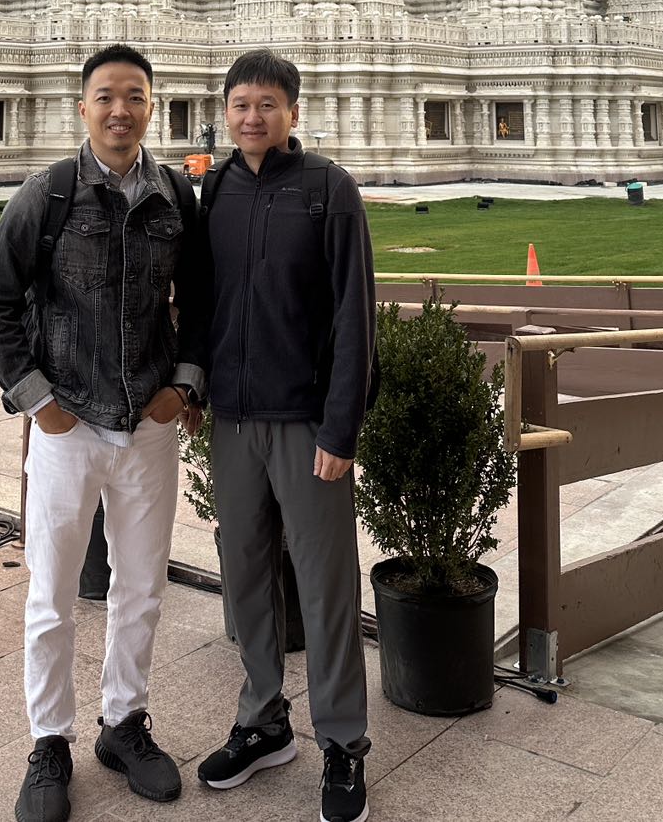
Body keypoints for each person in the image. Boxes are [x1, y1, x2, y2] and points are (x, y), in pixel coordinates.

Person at [0, 44, 209, 822]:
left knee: (141, 588)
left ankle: (123, 721)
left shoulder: (176, 194)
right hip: (68, 423)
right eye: (106, 95)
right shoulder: (47, 194)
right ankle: (49, 739)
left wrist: (184, 383)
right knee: (51, 594)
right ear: (84, 106)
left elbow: (201, 301)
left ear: (151, 105)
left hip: (147, 424)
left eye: (134, 96)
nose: (120, 109)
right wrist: (36, 397)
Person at [197, 49, 376, 822]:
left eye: (267, 103)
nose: (252, 117)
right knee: (244, 575)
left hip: (307, 422)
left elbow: (353, 316)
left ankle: (341, 740)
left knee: (326, 581)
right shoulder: (217, 188)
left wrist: (342, 425)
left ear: (293, 112)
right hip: (234, 420)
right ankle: (263, 717)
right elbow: (202, 299)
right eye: (240, 104)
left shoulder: (328, 190)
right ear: (226, 111)